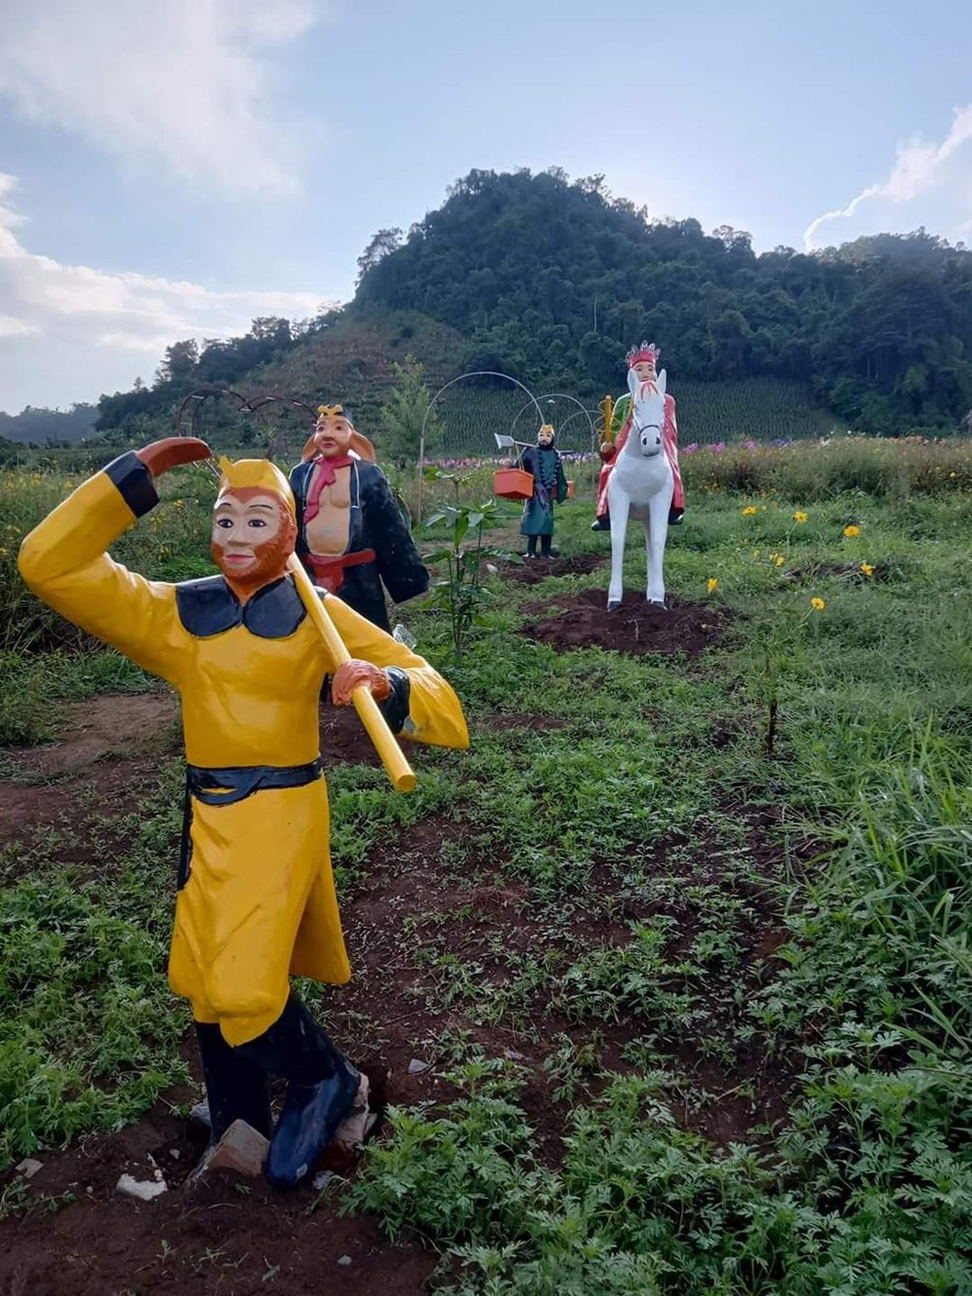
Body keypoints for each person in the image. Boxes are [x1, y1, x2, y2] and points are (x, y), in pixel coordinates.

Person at [18, 438, 469, 1188]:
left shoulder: (317, 617)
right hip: (208, 813)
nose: (235, 537)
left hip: (281, 810)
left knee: (243, 989)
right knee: (204, 979)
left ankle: (328, 1078)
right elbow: (48, 563)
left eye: (257, 522)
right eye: (225, 519)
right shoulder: (179, 614)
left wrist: (386, 682)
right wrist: (130, 478)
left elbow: (441, 699)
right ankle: (239, 1118)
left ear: (288, 533)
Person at [290, 404, 429, 630]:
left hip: (357, 576)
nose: (328, 434)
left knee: (365, 632)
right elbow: (290, 524)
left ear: (353, 437)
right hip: (311, 573)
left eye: (338, 428)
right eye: (321, 428)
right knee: (312, 632)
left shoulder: (367, 475)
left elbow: (390, 526)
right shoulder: (299, 475)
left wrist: (408, 576)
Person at [592, 342, 685, 531]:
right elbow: (614, 429)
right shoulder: (624, 401)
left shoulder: (666, 399)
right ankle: (605, 513)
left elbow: (669, 427)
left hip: (657, 441)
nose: (645, 373)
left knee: (671, 466)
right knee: (607, 471)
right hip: (627, 445)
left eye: (650, 369)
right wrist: (608, 446)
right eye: (639, 369)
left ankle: (674, 508)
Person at [517, 423, 568, 558]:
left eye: (547, 435)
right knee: (533, 522)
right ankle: (531, 552)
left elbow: (560, 475)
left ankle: (546, 552)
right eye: (541, 435)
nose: (544, 438)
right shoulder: (530, 451)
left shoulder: (556, 455)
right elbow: (518, 467)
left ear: (552, 438)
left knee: (547, 523)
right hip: (533, 492)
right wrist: (511, 466)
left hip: (548, 493)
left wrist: (562, 490)